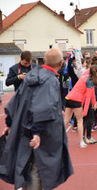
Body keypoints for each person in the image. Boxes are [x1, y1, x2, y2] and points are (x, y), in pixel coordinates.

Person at [0, 48, 73, 190]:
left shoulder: (30, 76)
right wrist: (37, 133)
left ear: (44, 61)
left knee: (27, 164)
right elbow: (43, 107)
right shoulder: (50, 81)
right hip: (42, 133)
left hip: (24, 127)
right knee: (38, 168)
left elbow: (15, 101)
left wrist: (9, 123)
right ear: (61, 63)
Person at [64, 65, 97, 148]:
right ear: (96, 73)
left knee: (66, 120)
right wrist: (85, 112)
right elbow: (88, 98)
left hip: (69, 97)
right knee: (80, 121)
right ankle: (81, 142)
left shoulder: (84, 76)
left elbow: (92, 93)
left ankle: (57, 139)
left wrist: (94, 103)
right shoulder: (89, 81)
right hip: (76, 100)